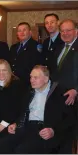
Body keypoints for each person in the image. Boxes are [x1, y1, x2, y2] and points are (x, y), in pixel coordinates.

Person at [0, 65, 76, 153]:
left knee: (21, 150)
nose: (31, 80)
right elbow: (23, 113)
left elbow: (69, 119)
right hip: (26, 127)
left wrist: (54, 130)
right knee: (3, 144)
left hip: (44, 129)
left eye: (35, 77)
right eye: (31, 77)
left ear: (46, 79)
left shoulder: (59, 92)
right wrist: (15, 123)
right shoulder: (29, 92)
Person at [49, 19, 78, 153]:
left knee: (72, 133)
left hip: (74, 97)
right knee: (61, 130)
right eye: (62, 31)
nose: (65, 33)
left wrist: (76, 89)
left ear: (76, 31)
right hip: (59, 96)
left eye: (68, 30)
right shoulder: (60, 47)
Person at [0, 59, 25, 153]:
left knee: (1, 145)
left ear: (9, 71)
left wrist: (3, 124)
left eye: (4, 70)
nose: (1, 73)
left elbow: (16, 108)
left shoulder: (16, 84)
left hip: (11, 122)